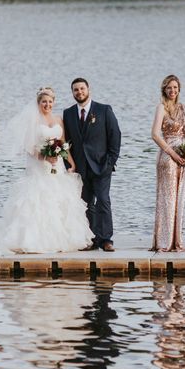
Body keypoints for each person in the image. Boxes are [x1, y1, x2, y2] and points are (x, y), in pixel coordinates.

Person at [0, 87, 93, 254]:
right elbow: (29, 147)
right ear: (38, 103)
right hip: (39, 168)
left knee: (58, 202)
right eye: (44, 101)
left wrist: (70, 163)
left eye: (50, 101)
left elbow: (63, 143)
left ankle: (60, 240)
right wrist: (46, 157)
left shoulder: (59, 119)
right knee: (37, 203)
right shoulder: (33, 121)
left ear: (54, 103)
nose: (47, 104)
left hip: (56, 168)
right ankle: (34, 240)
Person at [62, 78, 121, 252]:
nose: (79, 92)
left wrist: (111, 162)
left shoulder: (103, 110)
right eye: (75, 90)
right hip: (80, 168)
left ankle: (106, 239)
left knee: (103, 201)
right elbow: (67, 142)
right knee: (86, 204)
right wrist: (69, 164)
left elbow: (115, 136)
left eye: (82, 88)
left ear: (88, 89)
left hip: (102, 165)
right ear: (72, 93)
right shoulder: (68, 113)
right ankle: (92, 239)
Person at [150, 74, 185, 252]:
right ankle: (164, 241)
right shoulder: (161, 108)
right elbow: (155, 134)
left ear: (179, 89)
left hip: (182, 158)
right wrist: (172, 153)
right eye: (169, 88)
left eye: (175, 87)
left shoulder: (183, 108)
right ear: (164, 90)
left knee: (179, 198)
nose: (172, 91)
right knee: (167, 198)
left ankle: (176, 240)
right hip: (167, 157)